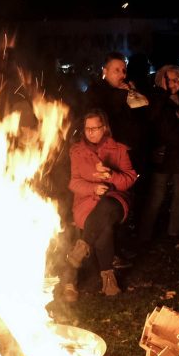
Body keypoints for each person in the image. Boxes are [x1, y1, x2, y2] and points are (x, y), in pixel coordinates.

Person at [64, 110, 137, 300]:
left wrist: (111, 176)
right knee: (104, 226)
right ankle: (108, 279)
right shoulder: (77, 151)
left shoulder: (119, 149)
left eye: (95, 128)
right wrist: (94, 188)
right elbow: (74, 182)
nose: (90, 133)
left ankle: (75, 260)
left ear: (104, 128)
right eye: (87, 129)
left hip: (115, 200)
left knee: (106, 208)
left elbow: (129, 179)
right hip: (87, 201)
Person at [137, 65, 179, 241]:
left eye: (178, 79)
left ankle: (173, 233)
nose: (175, 83)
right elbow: (152, 118)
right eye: (170, 79)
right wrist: (164, 95)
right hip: (163, 155)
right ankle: (144, 234)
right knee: (157, 196)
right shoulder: (155, 99)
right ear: (162, 80)